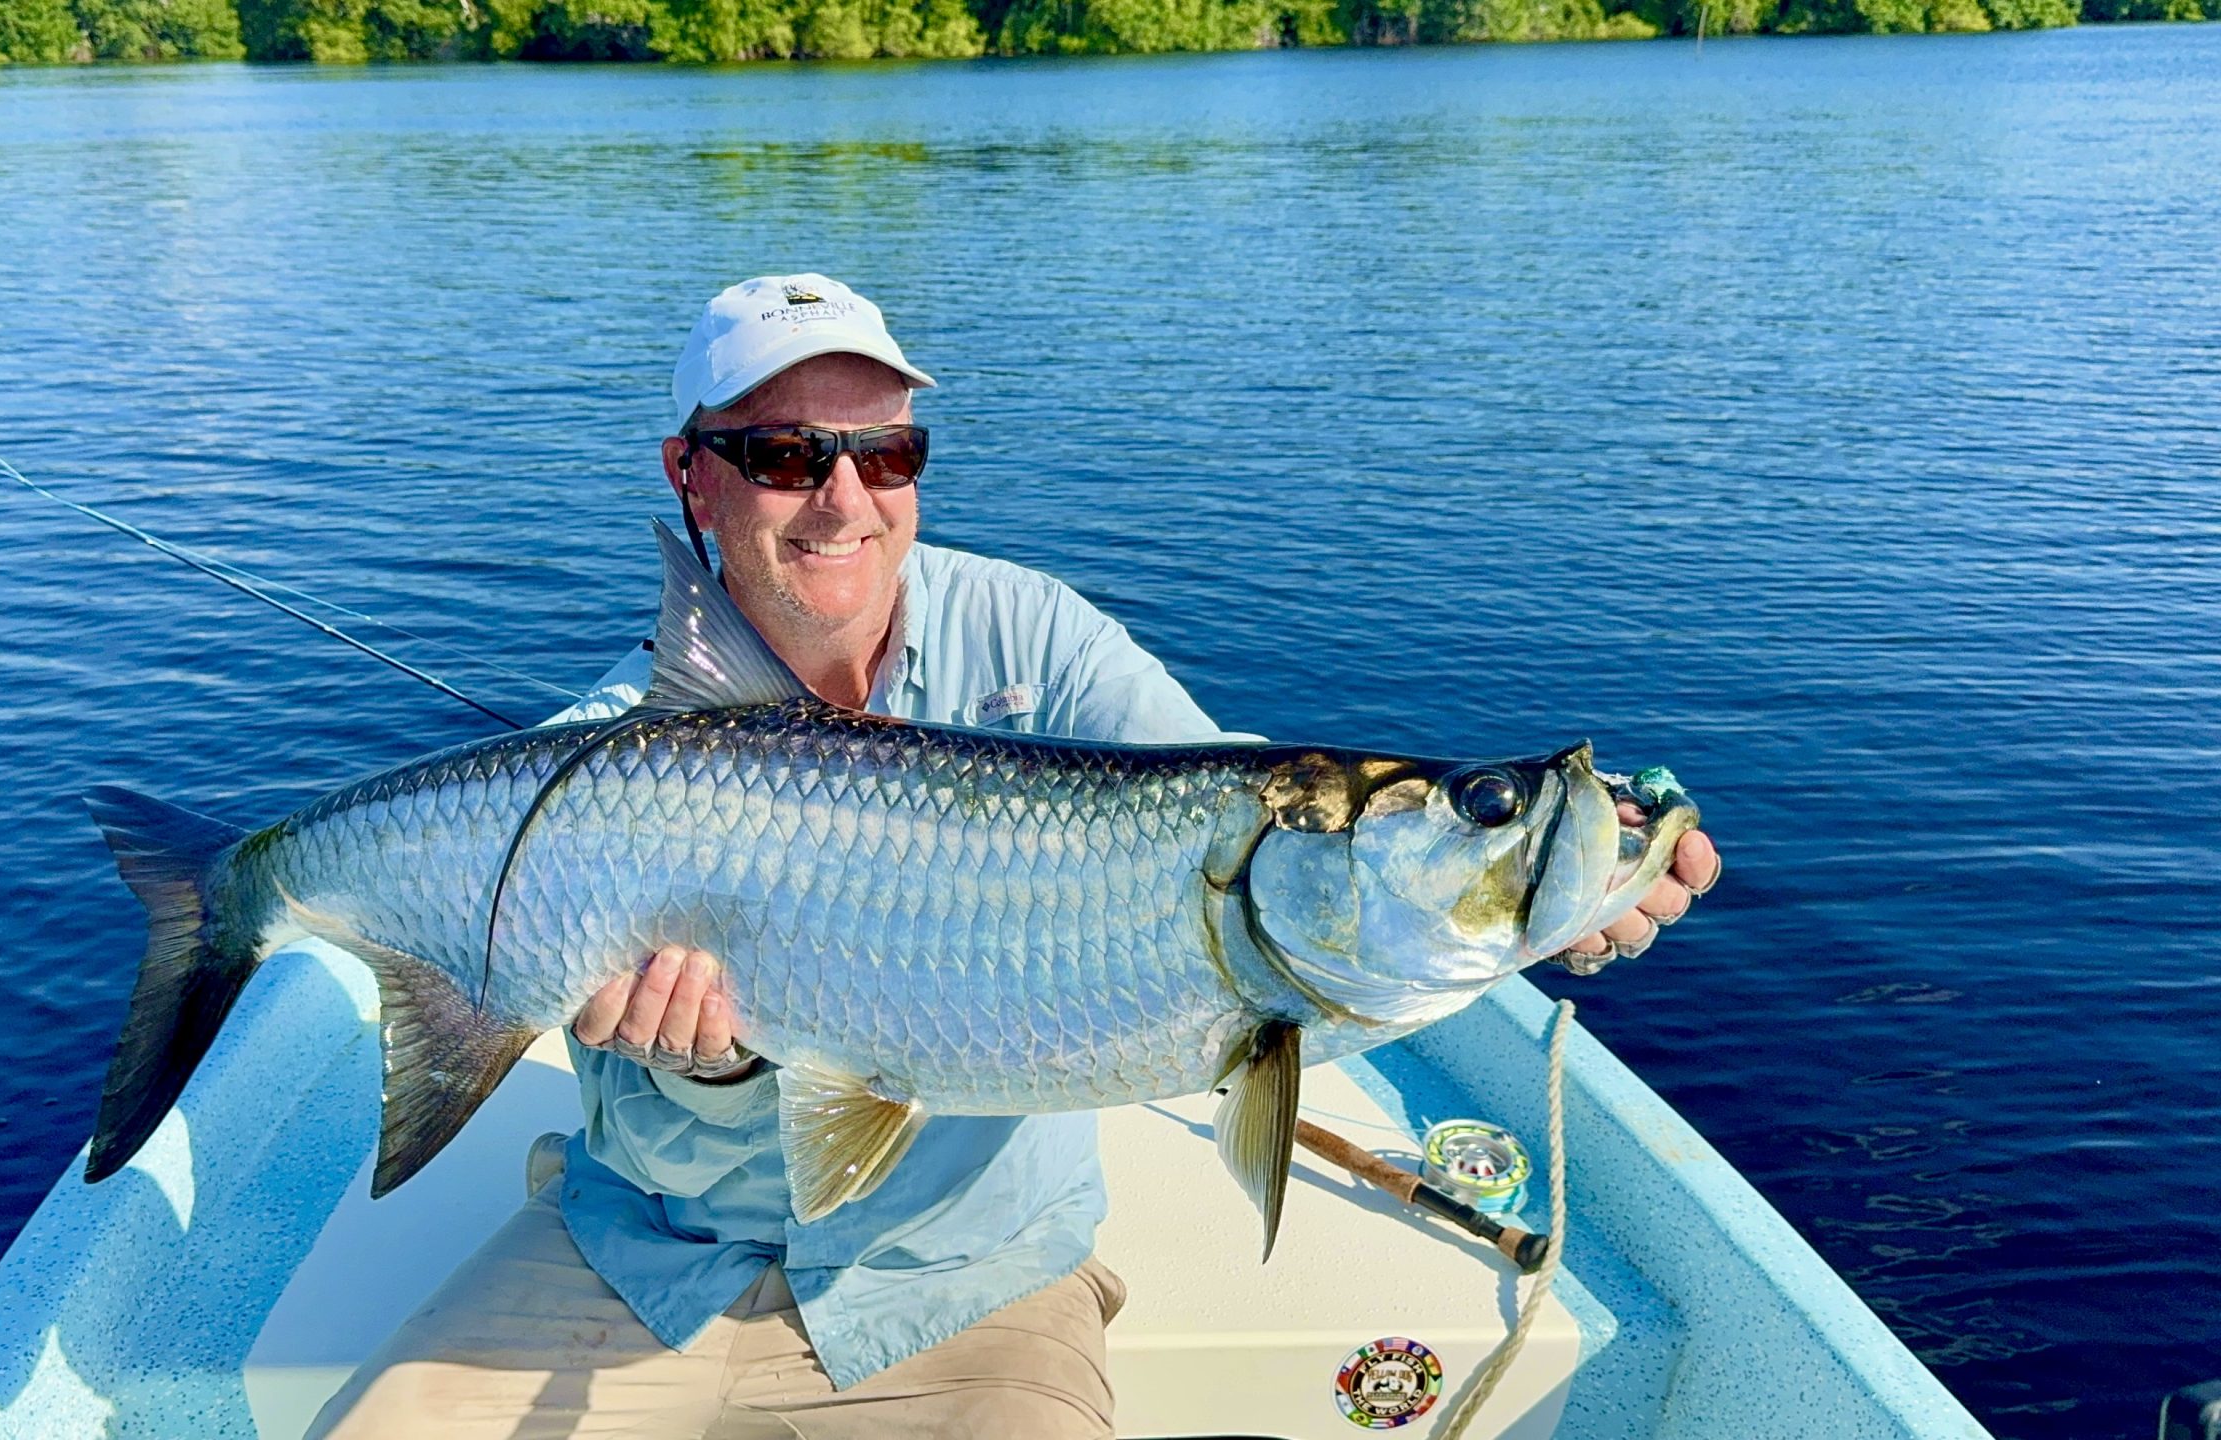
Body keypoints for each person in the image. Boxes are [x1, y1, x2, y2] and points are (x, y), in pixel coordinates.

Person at [308, 274, 1721, 1440]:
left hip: (967, 1287)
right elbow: (556, 1025)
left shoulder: (1041, 637)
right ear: (692, 476)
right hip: (636, 1257)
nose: (845, 497)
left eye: (889, 452)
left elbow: (1229, 809)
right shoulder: (607, 746)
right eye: (788, 454)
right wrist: (712, 1056)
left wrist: (1559, 915)